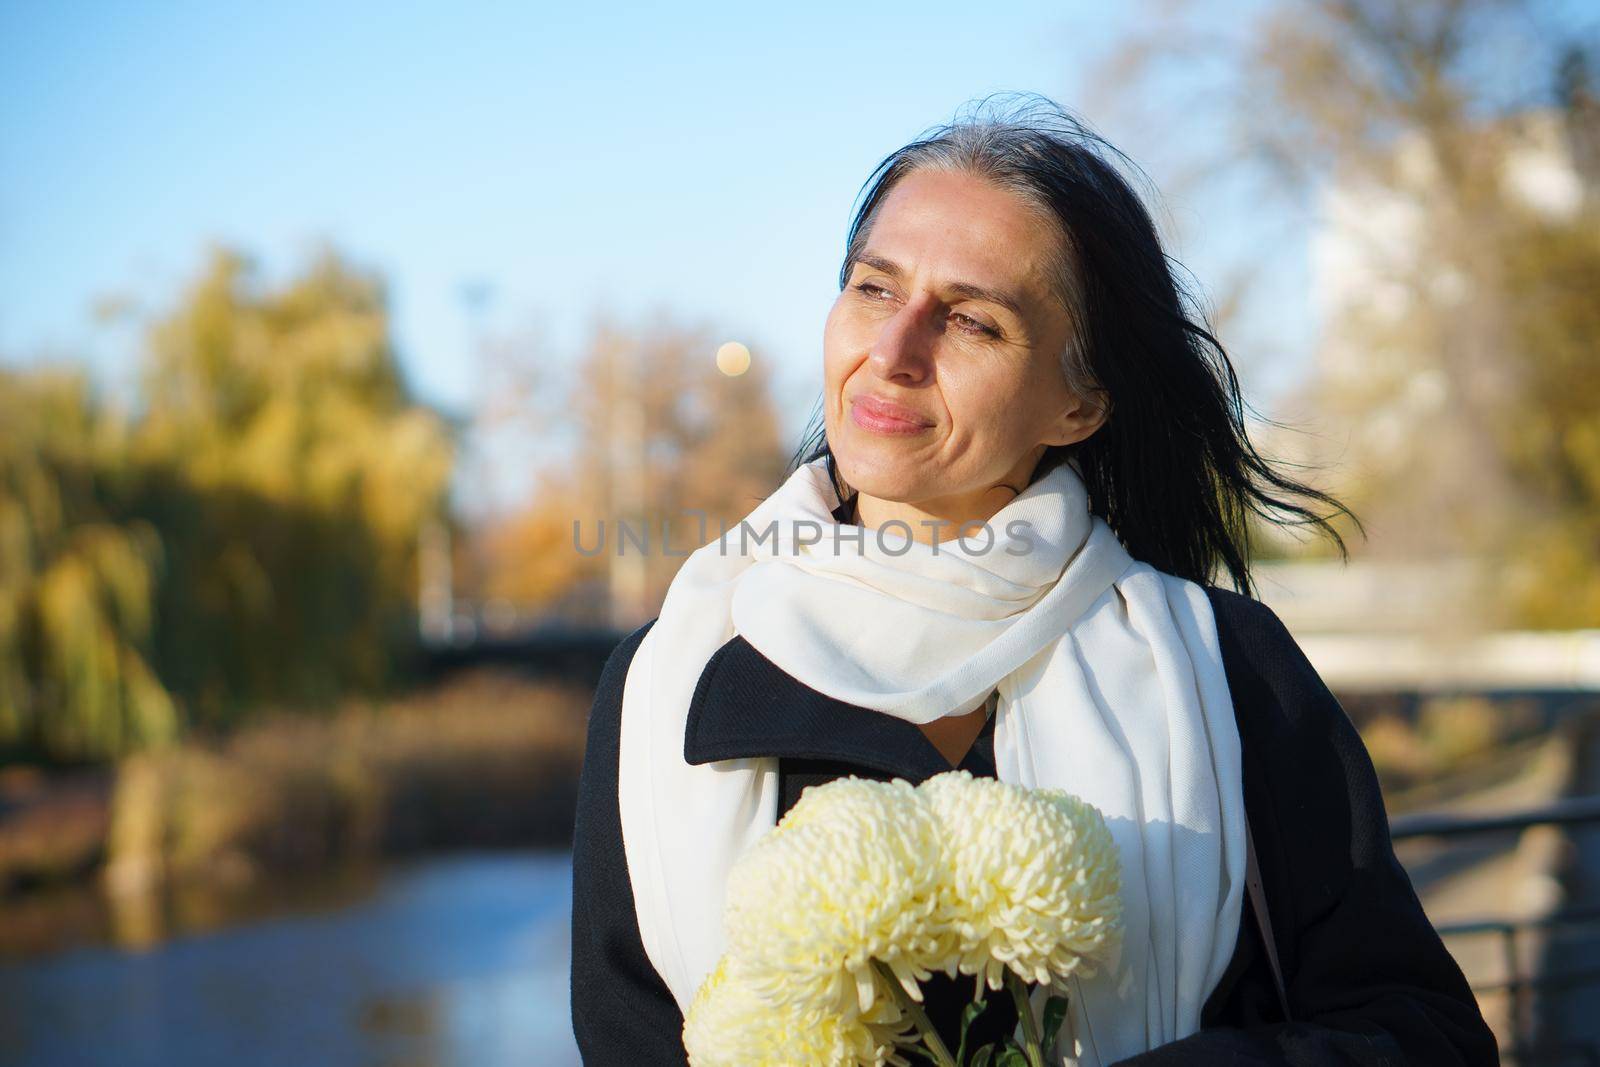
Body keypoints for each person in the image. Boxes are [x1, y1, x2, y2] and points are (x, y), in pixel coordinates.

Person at [570, 94, 1499, 1066]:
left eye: (971, 321)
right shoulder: (663, 682)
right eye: (873, 289)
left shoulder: (1223, 666)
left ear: (1078, 402)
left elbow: (1424, 1035)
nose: (891, 353)